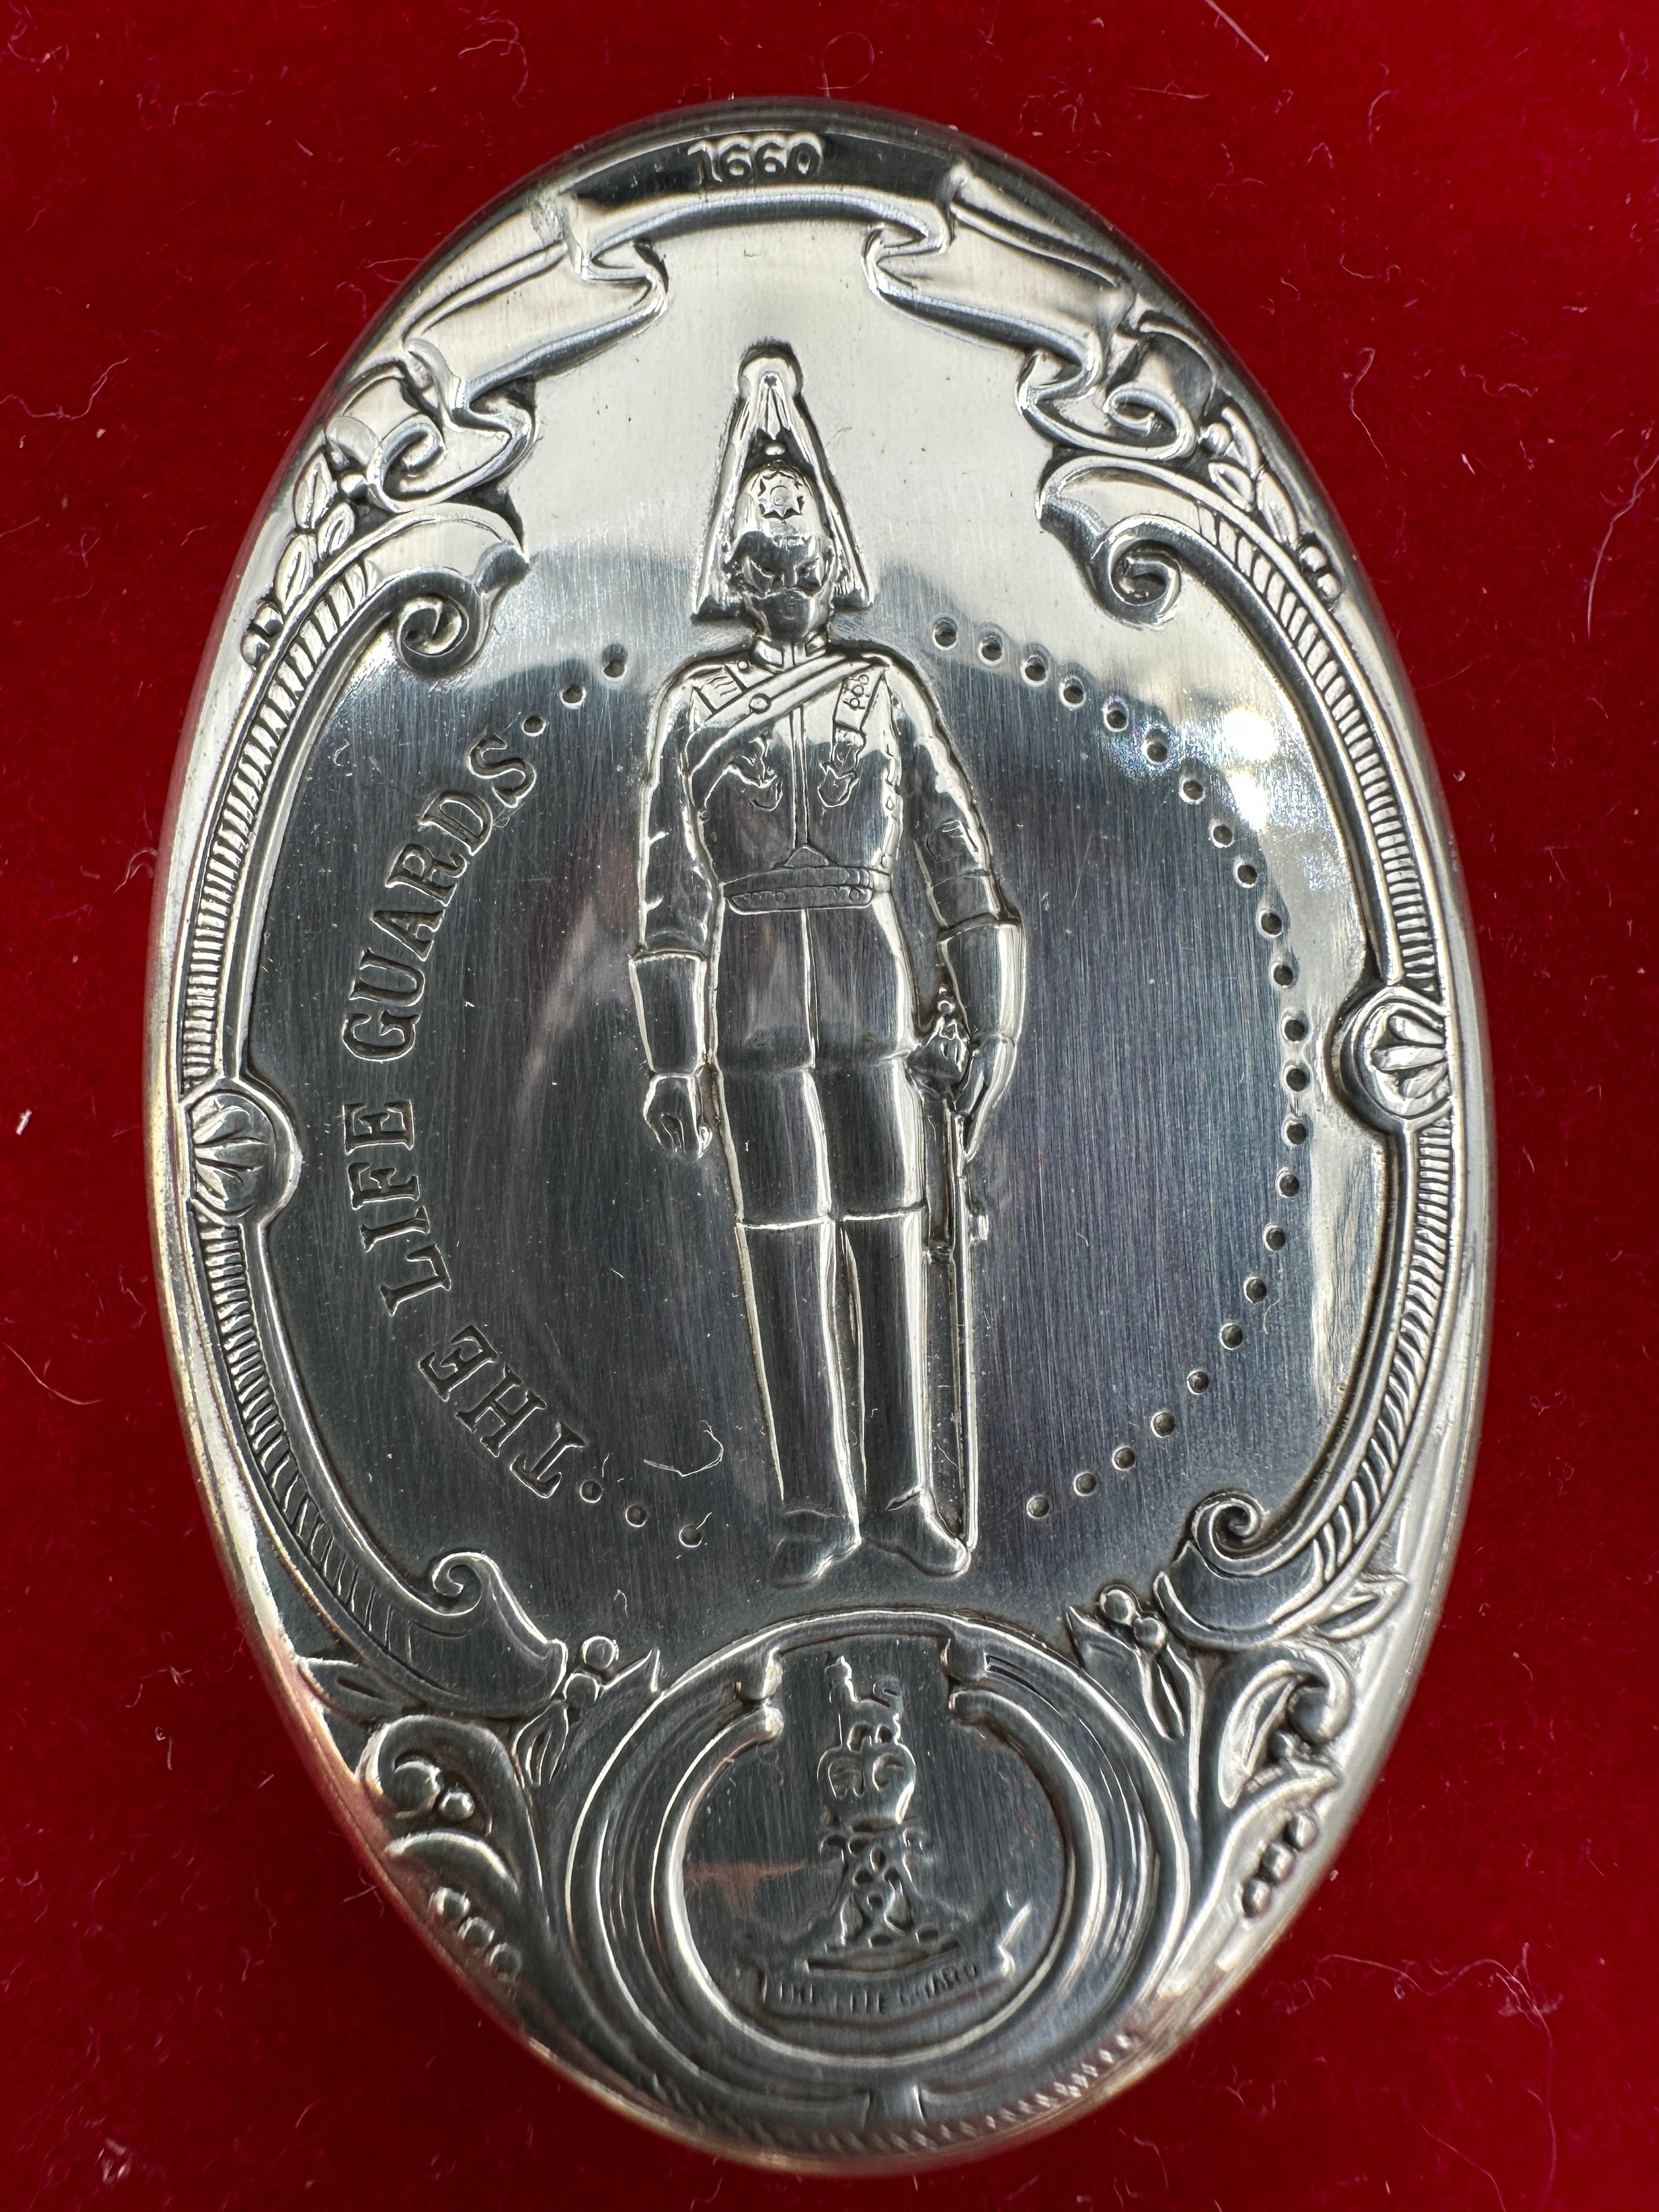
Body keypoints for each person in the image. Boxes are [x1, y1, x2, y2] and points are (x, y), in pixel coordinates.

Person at [631, 350, 1024, 1587]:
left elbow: (957, 854)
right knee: (780, 1244)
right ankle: (815, 1504)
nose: (790, 584)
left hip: (870, 980)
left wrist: (993, 1018)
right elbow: (670, 891)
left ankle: (902, 1495)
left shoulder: (883, 687)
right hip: (750, 992)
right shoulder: (695, 704)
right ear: (739, 575)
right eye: (768, 565)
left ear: (832, 568)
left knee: (889, 1232)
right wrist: (673, 1055)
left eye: (804, 565)